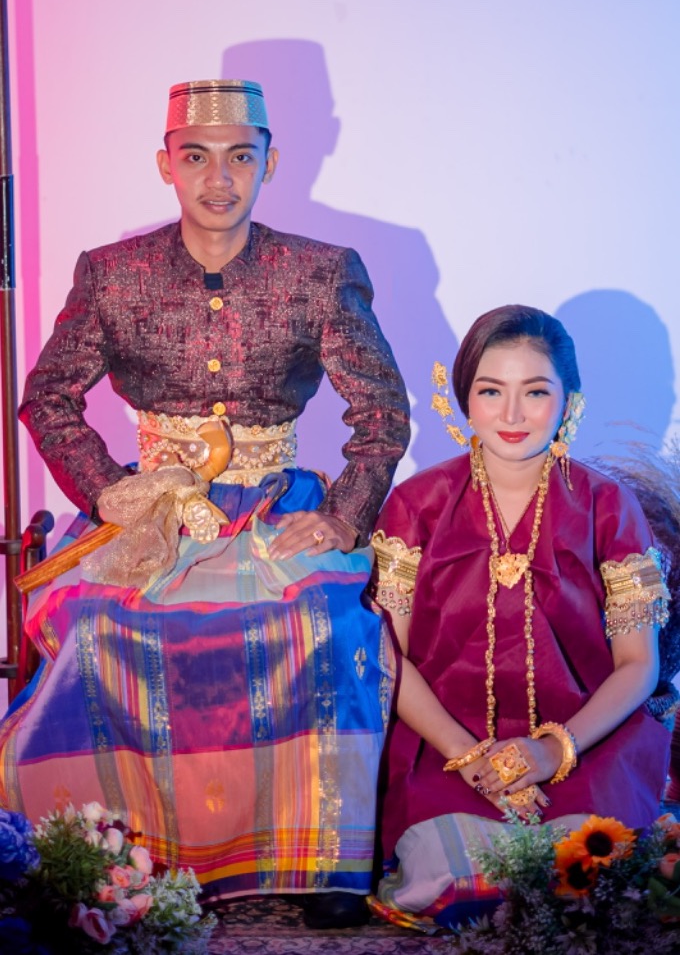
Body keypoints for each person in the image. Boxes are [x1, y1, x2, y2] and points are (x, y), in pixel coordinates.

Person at [0, 80, 410, 928]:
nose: (218, 179)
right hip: (152, 515)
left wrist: (342, 516)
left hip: (274, 505)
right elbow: (47, 398)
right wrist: (110, 493)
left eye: (239, 158)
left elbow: (381, 409)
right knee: (93, 628)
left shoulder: (320, 272)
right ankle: (100, 856)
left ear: (270, 163)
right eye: (196, 157)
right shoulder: (113, 274)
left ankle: (321, 860)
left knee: (322, 621)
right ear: (166, 165)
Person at [369, 304, 671, 930]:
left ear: (569, 402)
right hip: (446, 747)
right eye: (491, 391)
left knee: (591, 870)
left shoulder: (608, 507)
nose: (511, 415)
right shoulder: (417, 505)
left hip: (588, 746)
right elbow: (387, 655)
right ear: (464, 399)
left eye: (535, 392)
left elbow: (638, 665)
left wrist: (552, 751)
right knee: (445, 877)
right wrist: (469, 757)